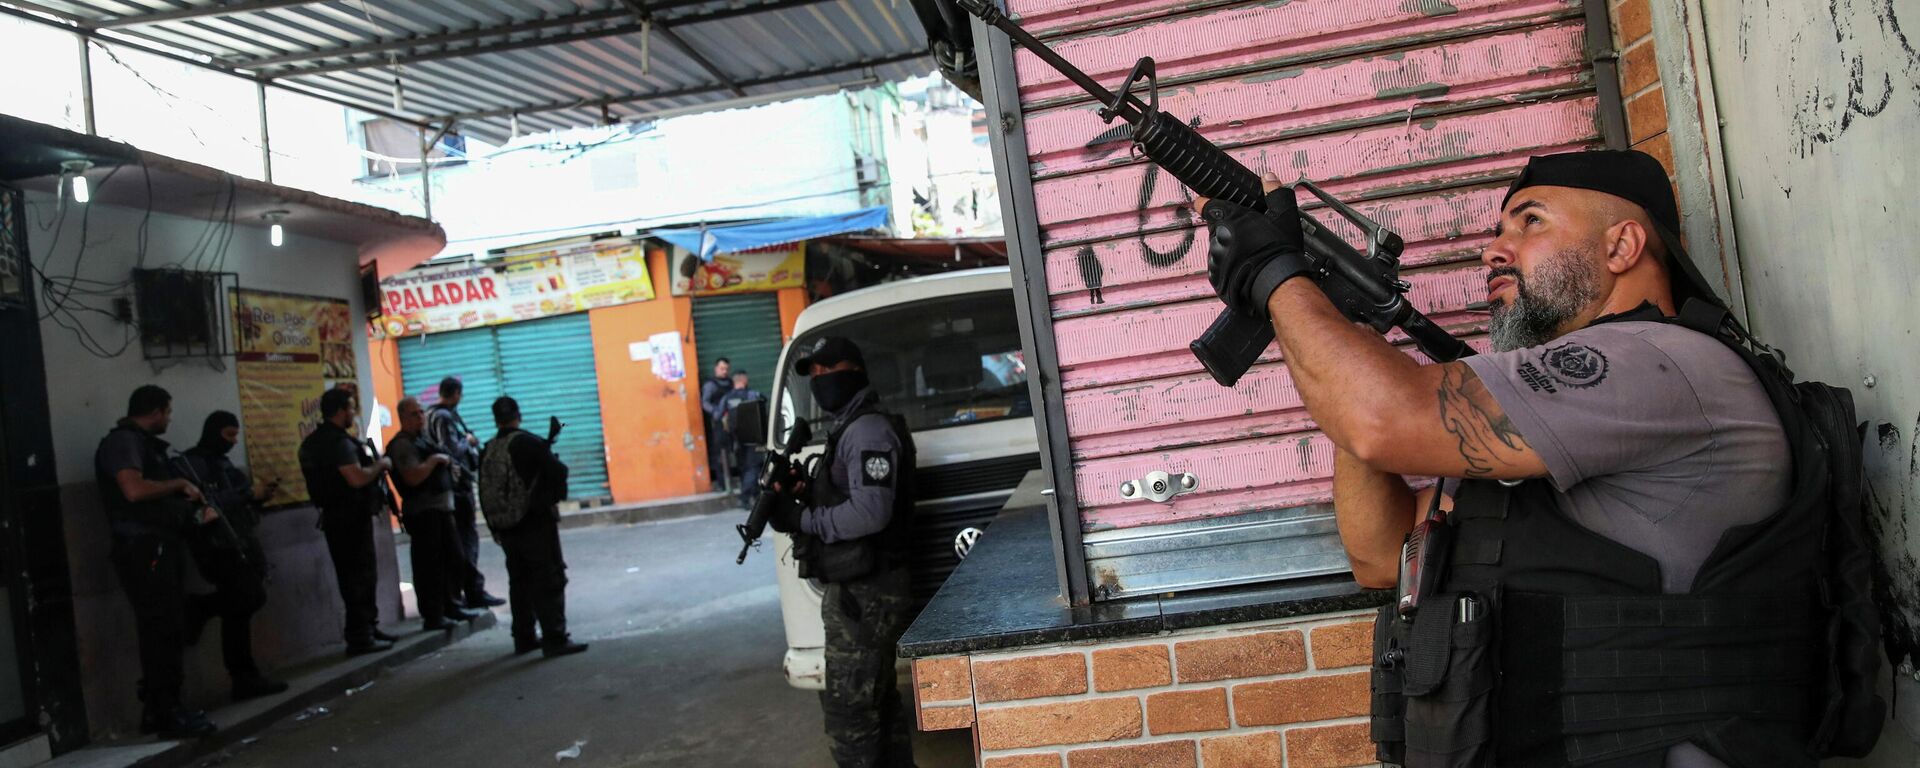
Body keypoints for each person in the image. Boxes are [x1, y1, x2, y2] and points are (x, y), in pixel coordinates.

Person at [1194, 150, 1856, 767]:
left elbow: (1382, 419)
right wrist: (1345, 326)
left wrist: (1278, 276)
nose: (1492, 250)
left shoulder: (1655, 365)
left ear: (1623, 245)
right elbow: (1382, 550)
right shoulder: (1563, 414)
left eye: (1530, 222)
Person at [766, 337, 916, 768]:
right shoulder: (849, 427)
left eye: (826, 372)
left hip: (868, 592)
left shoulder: (868, 429)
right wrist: (807, 492)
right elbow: (849, 494)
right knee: (876, 703)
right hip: (860, 590)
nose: (819, 382)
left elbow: (870, 513)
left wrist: (804, 521)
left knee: (851, 715)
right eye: (813, 375)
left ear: (853, 370)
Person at [94, 385, 220, 738]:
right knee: (161, 628)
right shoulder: (124, 442)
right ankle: (166, 712)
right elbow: (133, 490)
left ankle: (161, 708)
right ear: (155, 411)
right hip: (143, 548)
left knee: (166, 627)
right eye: (167, 412)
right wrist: (178, 483)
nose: (169, 419)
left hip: (157, 544)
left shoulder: (142, 444)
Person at [173, 411, 290, 702]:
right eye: (228, 435)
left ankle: (244, 674)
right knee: (245, 599)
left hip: (238, 541)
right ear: (213, 432)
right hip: (215, 547)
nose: (233, 441)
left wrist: (257, 496)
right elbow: (203, 504)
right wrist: (247, 493)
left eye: (236, 435)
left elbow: (238, 497)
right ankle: (241, 672)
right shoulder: (191, 464)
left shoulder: (222, 463)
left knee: (245, 604)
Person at [479, 396, 587, 659]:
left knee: (519, 581)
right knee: (548, 578)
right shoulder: (527, 442)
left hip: (506, 527)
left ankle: (524, 637)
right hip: (534, 522)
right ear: (519, 415)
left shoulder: (489, 448)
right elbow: (558, 471)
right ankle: (555, 638)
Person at [298, 387, 396, 656]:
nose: (354, 413)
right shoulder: (337, 443)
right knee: (358, 578)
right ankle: (361, 636)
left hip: (340, 517)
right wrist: (381, 465)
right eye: (351, 408)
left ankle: (367, 628)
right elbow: (355, 478)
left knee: (358, 576)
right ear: (341, 411)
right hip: (348, 518)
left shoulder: (314, 442)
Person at [387, 398, 482, 631]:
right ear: (403, 417)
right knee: (430, 566)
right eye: (414, 414)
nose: (420, 417)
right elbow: (412, 477)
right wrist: (433, 461)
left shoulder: (422, 439)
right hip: (423, 512)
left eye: (421, 412)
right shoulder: (402, 445)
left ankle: (451, 605)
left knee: (454, 560)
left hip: (442, 508)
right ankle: (433, 614)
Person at [426, 377, 505, 610]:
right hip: (457, 484)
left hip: (450, 486)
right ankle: (472, 590)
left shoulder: (432, 415)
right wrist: (468, 441)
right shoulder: (443, 417)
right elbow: (452, 450)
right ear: (455, 393)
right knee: (466, 539)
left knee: (459, 541)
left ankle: (465, 590)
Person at [717, 370, 766, 508]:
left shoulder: (726, 398)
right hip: (753, 439)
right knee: (753, 468)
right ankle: (744, 497)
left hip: (736, 441)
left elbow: (717, 415)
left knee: (745, 469)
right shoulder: (752, 394)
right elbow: (765, 402)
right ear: (744, 380)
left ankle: (754, 497)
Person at [701, 358, 733, 488]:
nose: (724, 371)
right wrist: (716, 413)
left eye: (726, 369)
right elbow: (705, 402)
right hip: (718, 424)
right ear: (716, 368)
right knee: (720, 454)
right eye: (721, 368)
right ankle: (722, 482)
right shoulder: (710, 385)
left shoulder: (730, 382)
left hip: (731, 422)